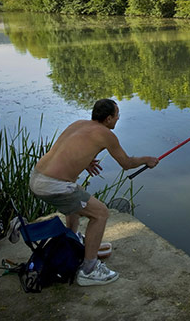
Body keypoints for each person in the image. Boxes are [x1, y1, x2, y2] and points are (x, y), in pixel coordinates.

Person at [29, 99, 159, 286]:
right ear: (108, 118)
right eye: (116, 115)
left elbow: (63, 149)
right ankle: (89, 270)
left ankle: (73, 240)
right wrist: (147, 160)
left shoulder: (78, 124)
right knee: (100, 213)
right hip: (53, 185)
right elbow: (126, 164)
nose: (118, 118)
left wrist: (86, 160)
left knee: (76, 193)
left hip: (37, 177)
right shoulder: (106, 135)